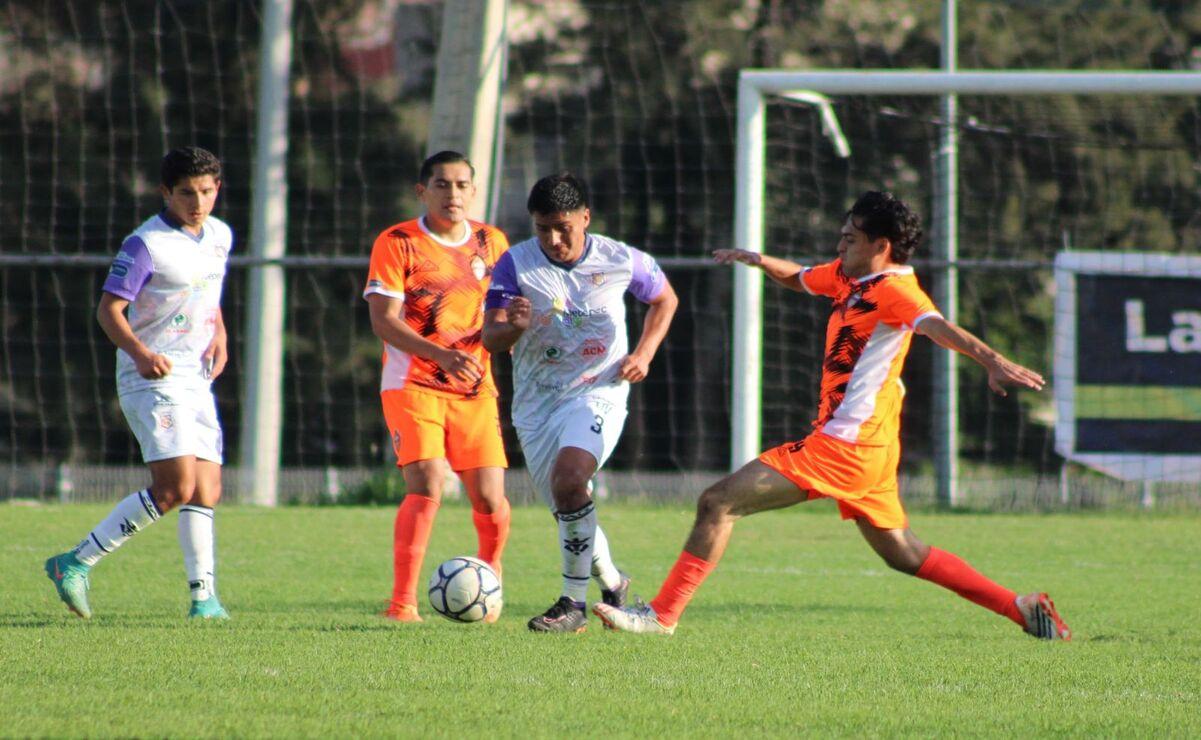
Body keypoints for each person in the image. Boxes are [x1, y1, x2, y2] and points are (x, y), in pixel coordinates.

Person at [593, 191, 1071, 641]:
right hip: (872, 447)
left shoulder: (897, 292)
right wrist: (760, 261)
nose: (839, 243)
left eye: (850, 238)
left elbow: (937, 327)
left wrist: (991, 359)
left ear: (881, 246)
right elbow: (799, 276)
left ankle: (662, 615)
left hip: (847, 446)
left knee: (718, 502)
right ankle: (1022, 608)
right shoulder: (850, 278)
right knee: (904, 553)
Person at [483, 173, 679, 632]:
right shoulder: (515, 265)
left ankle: (571, 605)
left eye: (562, 227)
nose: (552, 239)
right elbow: (492, 338)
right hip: (537, 405)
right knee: (569, 508)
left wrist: (644, 353)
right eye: (542, 228)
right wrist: (513, 325)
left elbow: (664, 299)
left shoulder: (621, 259)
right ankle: (614, 582)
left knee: (571, 480)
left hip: (599, 391)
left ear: (585, 218)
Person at [45, 146, 233, 620]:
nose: (197, 202)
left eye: (206, 191)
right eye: (187, 192)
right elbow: (108, 311)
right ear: (166, 192)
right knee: (173, 488)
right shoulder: (145, 244)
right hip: (152, 377)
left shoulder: (219, 235)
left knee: (206, 488)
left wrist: (221, 335)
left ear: (217, 189)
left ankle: (203, 600)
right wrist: (140, 353)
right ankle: (75, 562)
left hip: (196, 376)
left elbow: (208, 292)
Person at [364, 150, 512, 623]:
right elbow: (383, 322)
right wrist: (441, 354)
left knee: (490, 496)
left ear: (473, 189)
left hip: (474, 388)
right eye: (442, 185)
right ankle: (402, 603)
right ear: (422, 191)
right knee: (427, 480)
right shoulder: (398, 242)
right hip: (413, 384)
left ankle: (490, 580)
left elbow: (503, 312)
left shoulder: (493, 242)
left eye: (462, 184)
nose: (453, 194)